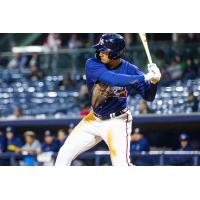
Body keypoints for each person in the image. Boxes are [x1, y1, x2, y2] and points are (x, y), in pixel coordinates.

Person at [55, 33, 161, 166]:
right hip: (94, 119)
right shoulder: (92, 63)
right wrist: (145, 77)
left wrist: (154, 81)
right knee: (64, 154)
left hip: (117, 122)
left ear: (116, 53)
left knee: (122, 166)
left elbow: (149, 96)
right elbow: (112, 78)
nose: (100, 53)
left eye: (104, 51)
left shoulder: (131, 70)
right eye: (99, 49)